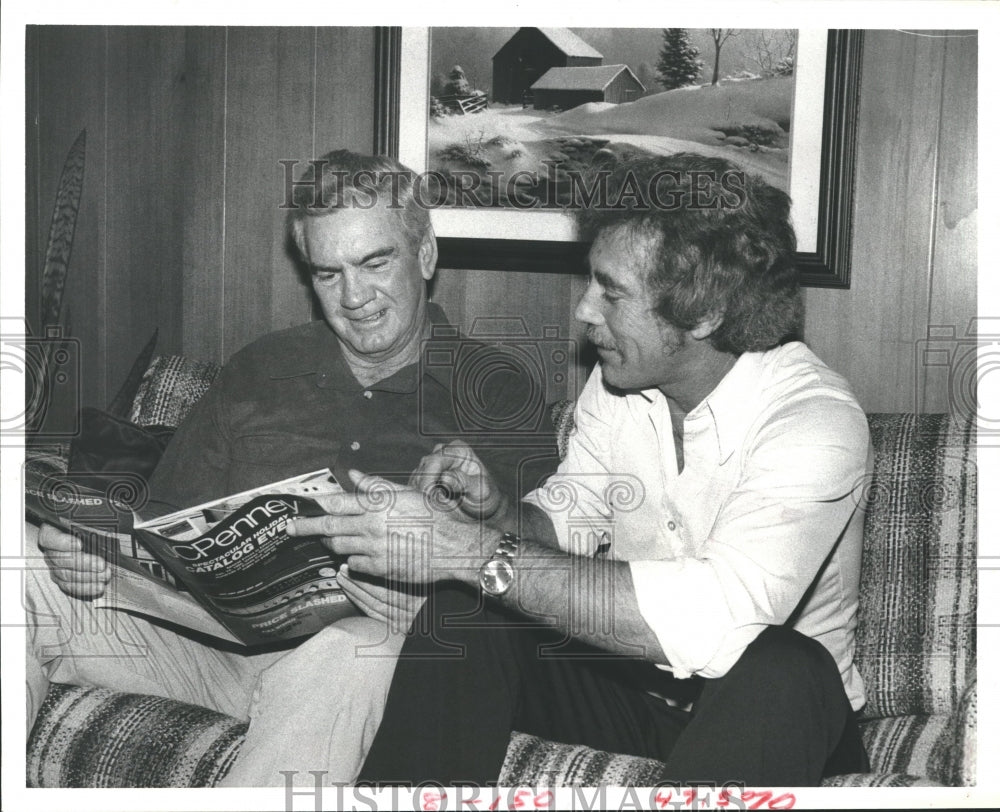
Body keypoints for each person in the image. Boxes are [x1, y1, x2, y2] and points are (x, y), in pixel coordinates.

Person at [288, 153, 873, 787]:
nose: (584, 312)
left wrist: (465, 550)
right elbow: (565, 521)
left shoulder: (815, 422)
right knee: (471, 607)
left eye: (611, 292)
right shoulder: (620, 387)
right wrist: (497, 514)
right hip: (633, 696)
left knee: (782, 663)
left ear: (703, 313)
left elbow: (715, 623)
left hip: (778, 716)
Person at [26, 149, 557, 785]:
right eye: (328, 273)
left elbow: (546, 561)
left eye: (374, 263)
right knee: (20, 558)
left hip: (369, 656)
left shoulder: (494, 386)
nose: (353, 297)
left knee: (349, 650)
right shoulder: (259, 369)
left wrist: (484, 521)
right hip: (211, 650)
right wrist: (98, 557)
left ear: (424, 255)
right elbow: (164, 522)